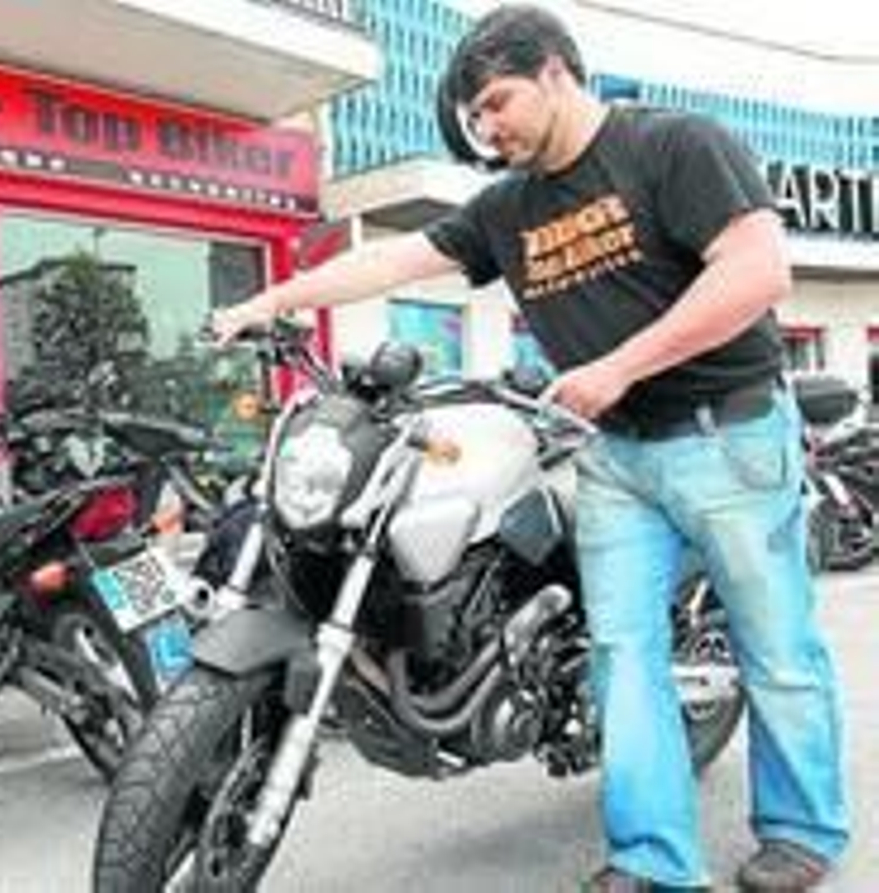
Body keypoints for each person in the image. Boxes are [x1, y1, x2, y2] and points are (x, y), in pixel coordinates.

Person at [212, 5, 847, 891]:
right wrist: (269, 301)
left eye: (497, 103)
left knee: (774, 648)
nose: (486, 128)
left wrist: (618, 367)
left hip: (728, 435)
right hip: (614, 453)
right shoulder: (508, 207)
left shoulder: (674, 146)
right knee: (622, 657)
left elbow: (755, 271)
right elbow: (391, 262)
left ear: (555, 72)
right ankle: (655, 859)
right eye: (473, 116)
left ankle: (802, 831)